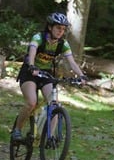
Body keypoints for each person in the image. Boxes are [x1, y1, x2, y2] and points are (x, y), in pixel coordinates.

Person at [11, 11, 86, 141]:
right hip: (30, 72)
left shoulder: (63, 44)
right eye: (58, 28)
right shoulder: (38, 38)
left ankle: (48, 137)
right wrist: (32, 66)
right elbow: (32, 54)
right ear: (50, 27)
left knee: (54, 104)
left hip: (46, 74)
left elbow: (72, 63)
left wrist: (81, 76)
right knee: (31, 102)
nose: (60, 31)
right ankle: (17, 130)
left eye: (63, 29)